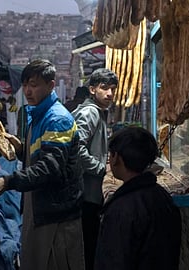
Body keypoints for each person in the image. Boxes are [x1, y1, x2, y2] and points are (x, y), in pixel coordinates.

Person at [0, 59, 85, 270]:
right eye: (26, 84)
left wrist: (8, 181)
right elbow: (41, 157)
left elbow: (50, 167)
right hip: (39, 206)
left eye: (35, 85)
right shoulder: (37, 114)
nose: (28, 91)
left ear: (50, 85)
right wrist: (21, 149)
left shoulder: (57, 119)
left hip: (56, 214)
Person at [94, 126, 182, 269]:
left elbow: (113, 261)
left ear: (116, 158)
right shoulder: (163, 197)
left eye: (110, 154)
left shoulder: (121, 209)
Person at [71, 68, 117, 270]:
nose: (109, 94)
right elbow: (77, 149)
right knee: (88, 248)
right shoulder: (90, 113)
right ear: (92, 89)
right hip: (86, 192)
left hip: (88, 191)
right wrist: (100, 169)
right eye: (104, 88)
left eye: (113, 89)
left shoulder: (97, 112)